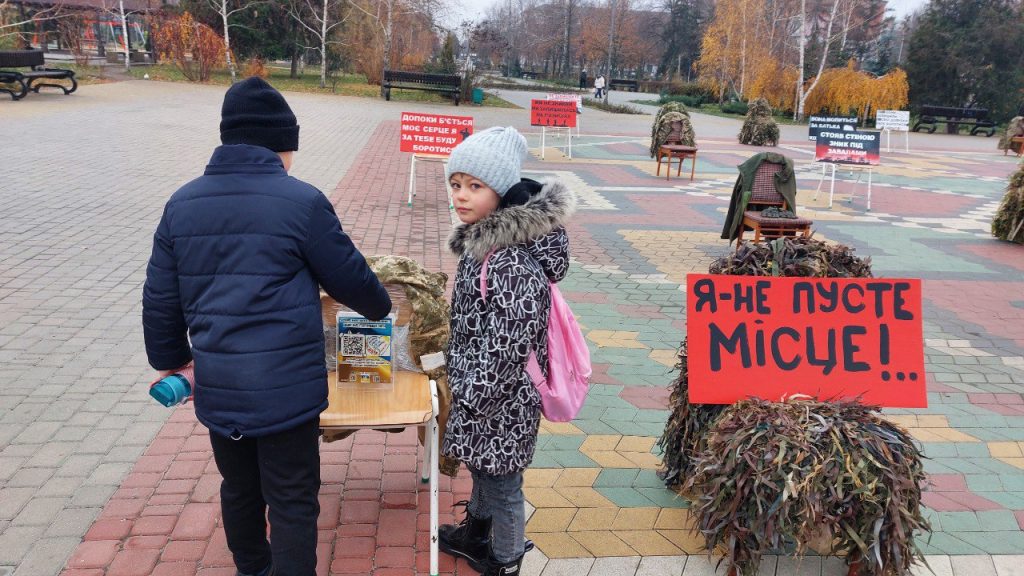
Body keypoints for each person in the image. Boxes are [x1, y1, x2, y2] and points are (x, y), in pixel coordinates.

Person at [142, 77, 391, 576]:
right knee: (293, 499)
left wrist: (173, 361)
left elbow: (159, 300)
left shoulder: (182, 203)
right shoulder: (302, 202)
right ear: (285, 144)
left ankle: (252, 569)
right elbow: (355, 282)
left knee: (239, 489)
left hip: (221, 387)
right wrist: (379, 306)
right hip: (288, 392)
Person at [437, 126, 576, 576]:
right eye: (456, 184)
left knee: (503, 483)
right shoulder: (483, 244)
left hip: (504, 396)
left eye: (475, 186)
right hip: (483, 388)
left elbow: (509, 342)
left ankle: (507, 559)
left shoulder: (509, 259)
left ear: (501, 191)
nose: (461, 195)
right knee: (482, 466)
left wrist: (473, 393)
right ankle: (477, 533)